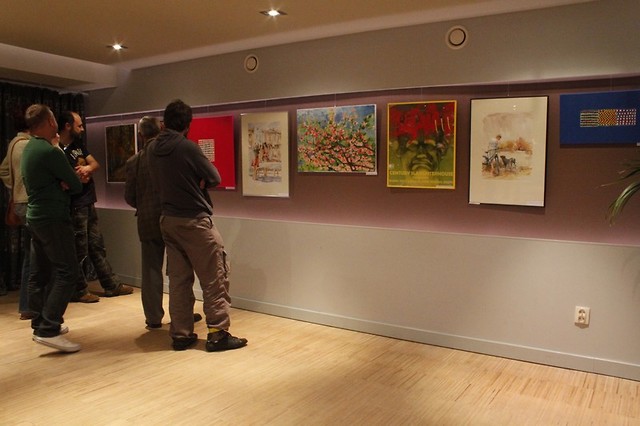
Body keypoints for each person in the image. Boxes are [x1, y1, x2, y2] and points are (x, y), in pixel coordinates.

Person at [147, 99, 246, 351]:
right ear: (188, 124)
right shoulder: (187, 147)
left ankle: (181, 334)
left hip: (168, 220)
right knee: (215, 277)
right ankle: (217, 334)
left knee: (179, 281)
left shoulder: (152, 149)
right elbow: (214, 176)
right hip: (194, 220)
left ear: (164, 122)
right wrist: (198, 181)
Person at [124, 116, 204, 329]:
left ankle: (153, 318)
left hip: (147, 220)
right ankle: (182, 313)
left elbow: (129, 197)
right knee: (179, 268)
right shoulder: (169, 156)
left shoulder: (134, 161)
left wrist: (144, 205)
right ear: (160, 130)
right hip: (173, 216)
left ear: (140, 134)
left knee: (151, 270)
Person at [21, 104, 83, 352]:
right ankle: (48, 328)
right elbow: (76, 184)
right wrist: (66, 181)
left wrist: (62, 181)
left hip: (35, 217)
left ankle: (40, 322)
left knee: (40, 272)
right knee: (68, 271)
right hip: (52, 217)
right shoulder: (50, 151)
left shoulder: (28, 147)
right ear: (49, 122)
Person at [57, 111, 134, 303]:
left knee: (97, 245)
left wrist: (87, 169)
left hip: (88, 201)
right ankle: (78, 289)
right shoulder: (56, 149)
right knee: (79, 249)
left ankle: (111, 284)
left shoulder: (78, 145)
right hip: (74, 205)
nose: (82, 129)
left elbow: (94, 164)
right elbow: (63, 180)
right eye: (79, 125)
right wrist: (78, 178)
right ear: (67, 126)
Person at [0, 111, 33, 319]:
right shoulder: (29, 144)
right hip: (31, 202)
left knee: (31, 254)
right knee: (37, 256)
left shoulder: (14, 143)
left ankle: (28, 305)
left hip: (20, 202)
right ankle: (32, 305)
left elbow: (4, 170)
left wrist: (14, 188)